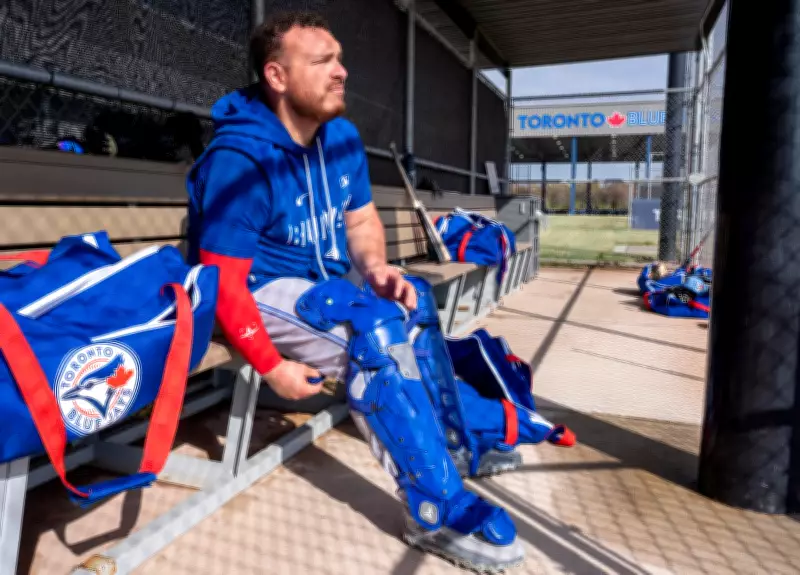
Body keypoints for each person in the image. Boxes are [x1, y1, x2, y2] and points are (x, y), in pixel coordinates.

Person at [185, 11, 555, 572]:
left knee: (414, 301)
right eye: (323, 61)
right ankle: (433, 507)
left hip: (320, 284)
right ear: (277, 76)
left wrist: (378, 268)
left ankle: (452, 445)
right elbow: (224, 285)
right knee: (374, 336)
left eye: (339, 58)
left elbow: (359, 222)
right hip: (252, 292)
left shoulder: (340, 137)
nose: (342, 71)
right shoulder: (239, 159)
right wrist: (272, 368)